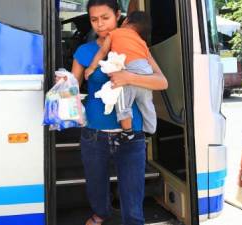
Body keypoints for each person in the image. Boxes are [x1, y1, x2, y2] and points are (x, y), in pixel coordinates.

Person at [71, 0, 168, 224]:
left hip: (132, 132)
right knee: (96, 183)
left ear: (118, 16)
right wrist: (64, 83)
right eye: (94, 19)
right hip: (95, 131)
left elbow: (162, 82)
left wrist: (129, 78)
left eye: (105, 18)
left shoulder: (135, 44)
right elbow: (73, 88)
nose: (100, 25)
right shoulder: (85, 51)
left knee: (133, 188)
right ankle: (100, 214)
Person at [84, 10, 155, 142]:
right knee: (146, 103)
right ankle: (150, 129)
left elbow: (103, 51)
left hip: (129, 72)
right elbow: (146, 58)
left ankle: (127, 132)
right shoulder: (142, 41)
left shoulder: (115, 33)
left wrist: (91, 67)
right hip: (146, 72)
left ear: (126, 21)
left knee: (123, 104)